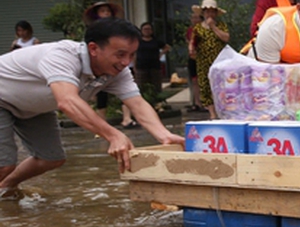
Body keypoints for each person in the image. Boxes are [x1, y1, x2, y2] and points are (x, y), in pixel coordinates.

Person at [0, 18, 184, 199]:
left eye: (131, 55)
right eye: (120, 54)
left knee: (51, 158)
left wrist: (164, 135)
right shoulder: (62, 55)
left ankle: (5, 187)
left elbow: (137, 103)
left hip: (32, 107)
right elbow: (67, 101)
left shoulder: (118, 72)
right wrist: (113, 135)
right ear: (94, 49)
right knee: (4, 165)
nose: (126, 62)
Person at [83, 1, 135, 128]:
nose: (106, 13)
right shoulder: (92, 33)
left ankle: (127, 118)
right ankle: (101, 123)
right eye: (102, 11)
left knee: (128, 92)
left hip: (119, 67)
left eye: (108, 11)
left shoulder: (122, 30)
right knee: (101, 95)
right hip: (99, 68)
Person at [191, 0, 230, 119]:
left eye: (212, 11)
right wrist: (191, 48)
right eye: (207, 11)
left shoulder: (221, 25)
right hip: (203, 61)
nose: (209, 14)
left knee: (221, 86)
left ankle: (223, 111)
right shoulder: (198, 28)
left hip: (219, 61)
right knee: (205, 86)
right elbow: (193, 41)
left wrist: (213, 27)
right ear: (203, 13)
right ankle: (212, 113)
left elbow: (226, 38)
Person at [134, 22, 170, 98]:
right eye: (145, 29)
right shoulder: (138, 41)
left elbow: (167, 47)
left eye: (149, 29)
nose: (147, 31)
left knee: (156, 86)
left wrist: (161, 54)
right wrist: (134, 66)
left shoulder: (156, 41)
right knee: (141, 87)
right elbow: (134, 54)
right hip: (141, 66)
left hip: (155, 66)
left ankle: (157, 103)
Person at [185, 10, 205, 112]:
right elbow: (189, 41)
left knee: (205, 80)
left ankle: (205, 102)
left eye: (197, 17)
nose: (194, 20)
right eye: (193, 18)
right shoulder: (190, 30)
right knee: (195, 81)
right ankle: (197, 102)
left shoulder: (205, 30)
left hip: (204, 58)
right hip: (193, 58)